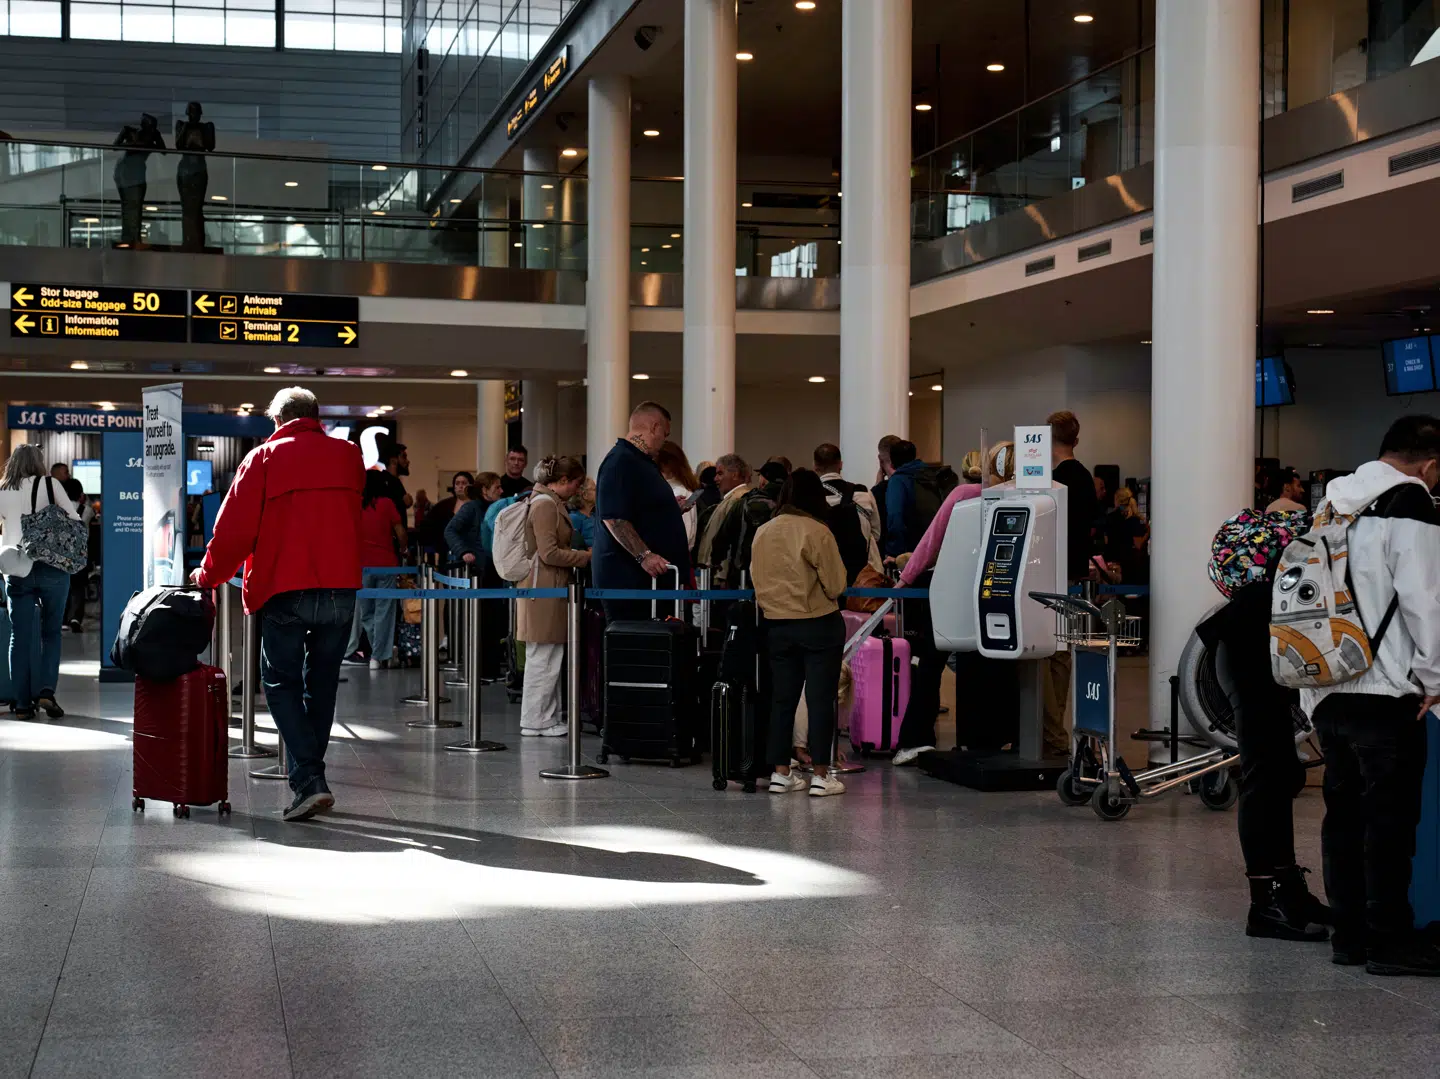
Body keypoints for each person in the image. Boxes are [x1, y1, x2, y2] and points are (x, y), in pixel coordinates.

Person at [1303, 415, 1440, 976]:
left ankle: (1350, 937)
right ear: (1429, 464)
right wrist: (1435, 678)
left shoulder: (1331, 504)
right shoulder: (1411, 504)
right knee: (1389, 823)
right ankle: (1390, 942)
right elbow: (1425, 601)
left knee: (1343, 817)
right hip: (1388, 692)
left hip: (1329, 686)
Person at [192, 387, 364, 822]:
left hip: (286, 586)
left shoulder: (264, 458)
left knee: (280, 682)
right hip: (341, 586)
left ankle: (309, 778)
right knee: (322, 682)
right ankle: (311, 776)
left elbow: (234, 528)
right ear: (315, 416)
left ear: (278, 419)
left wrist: (208, 575)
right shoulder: (348, 456)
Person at [1199, 509, 1329, 944]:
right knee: (1264, 776)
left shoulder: (1267, 554)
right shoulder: (1289, 550)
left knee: (1278, 774)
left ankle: (1289, 889)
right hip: (1249, 655)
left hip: (1250, 648)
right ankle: (1265, 904)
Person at [892, 442, 1015, 765]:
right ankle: (991, 737)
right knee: (993, 662)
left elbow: (931, 541)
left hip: (950, 588)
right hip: (999, 591)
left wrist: (906, 577)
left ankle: (915, 739)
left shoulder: (964, 496)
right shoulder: (1023, 499)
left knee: (932, 662)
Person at [751, 469, 849, 797]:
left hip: (777, 625)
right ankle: (821, 776)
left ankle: (781, 772)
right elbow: (836, 585)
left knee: (782, 699)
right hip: (818, 622)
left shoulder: (763, 532)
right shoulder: (817, 531)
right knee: (820, 700)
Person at [0, 446, 80, 721]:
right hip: (53, 567)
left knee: (18, 637)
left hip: (16, 567)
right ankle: (46, 690)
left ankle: (22, 703)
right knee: (51, 632)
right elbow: (75, 519)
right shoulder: (50, 484)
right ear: (39, 463)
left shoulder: (3, 489)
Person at [593, 402, 691, 622]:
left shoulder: (640, 462)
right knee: (635, 646)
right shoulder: (621, 461)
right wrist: (644, 556)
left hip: (650, 582)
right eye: (664, 435)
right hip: (631, 582)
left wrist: (669, 510)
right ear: (655, 427)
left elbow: (636, 509)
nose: (663, 442)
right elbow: (614, 517)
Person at [518, 456, 591, 735]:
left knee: (548, 655)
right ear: (561, 481)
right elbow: (549, 552)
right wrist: (583, 557)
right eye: (575, 483)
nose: (577, 489)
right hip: (544, 587)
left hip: (546, 587)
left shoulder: (544, 501)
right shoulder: (545, 505)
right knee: (543, 656)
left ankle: (545, 716)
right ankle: (536, 719)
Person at [1044, 410, 1100, 759]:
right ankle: (1053, 733)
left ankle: (1051, 734)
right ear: (1076, 440)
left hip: (1050, 573)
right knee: (1060, 654)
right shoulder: (1084, 477)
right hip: (1071, 574)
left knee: (1048, 656)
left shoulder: (1055, 482)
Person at [354, 470, 407, 670]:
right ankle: (379, 654)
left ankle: (378, 653)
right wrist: (402, 549)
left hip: (361, 565)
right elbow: (400, 531)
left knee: (367, 612)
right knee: (384, 611)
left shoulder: (355, 503)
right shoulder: (386, 503)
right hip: (386, 563)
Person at [814, 442, 883, 576]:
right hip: (864, 572)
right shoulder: (862, 492)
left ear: (815, 466)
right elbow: (876, 534)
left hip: (827, 573)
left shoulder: (811, 497)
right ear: (840, 464)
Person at [696, 454, 754, 587]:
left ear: (735, 474)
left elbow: (731, 538)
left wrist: (722, 575)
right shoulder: (731, 499)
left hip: (723, 577)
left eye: (720, 474)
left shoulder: (737, 499)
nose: (715, 479)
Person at [59, 477, 95, 633]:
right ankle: (75, 618)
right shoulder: (86, 510)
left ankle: (63, 618)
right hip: (80, 553)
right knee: (78, 587)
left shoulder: (58, 509)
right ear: (81, 494)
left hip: (62, 553)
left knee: (64, 587)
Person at [883, 439, 927, 558]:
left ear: (892, 463)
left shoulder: (897, 481)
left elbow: (895, 517)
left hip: (910, 552)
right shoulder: (931, 476)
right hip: (935, 548)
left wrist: (894, 552)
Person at [657, 441, 702, 553]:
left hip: (671, 556)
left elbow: (685, 534)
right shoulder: (677, 489)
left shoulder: (679, 492)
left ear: (665, 465)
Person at [1104, 486, 1151, 585]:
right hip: (1129, 563)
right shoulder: (1134, 520)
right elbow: (1138, 545)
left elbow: (1106, 540)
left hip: (1112, 560)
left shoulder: (1110, 517)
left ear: (1117, 500)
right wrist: (1148, 533)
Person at [419, 471, 474, 554]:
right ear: (454, 487)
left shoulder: (477, 505)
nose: (460, 486)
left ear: (470, 486)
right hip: (446, 551)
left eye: (464, 483)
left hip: (471, 550)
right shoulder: (443, 505)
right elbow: (427, 525)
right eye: (457, 483)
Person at [871, 434, 902, 555]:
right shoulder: (916, 481)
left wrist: (878, 484)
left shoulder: (879, 492)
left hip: (888, 555)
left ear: (880, 459)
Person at [376, 442, 412, 525]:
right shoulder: (384, 482)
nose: (407, 461)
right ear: (393, 461)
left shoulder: (394, 482)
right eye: (404, 457)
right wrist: (402, 503)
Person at [569, 478, 597, 550]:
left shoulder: (594, 516)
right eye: (595, 489)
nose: (598, 492)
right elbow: (573, 547)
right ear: (585, 495)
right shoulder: (574, 518)